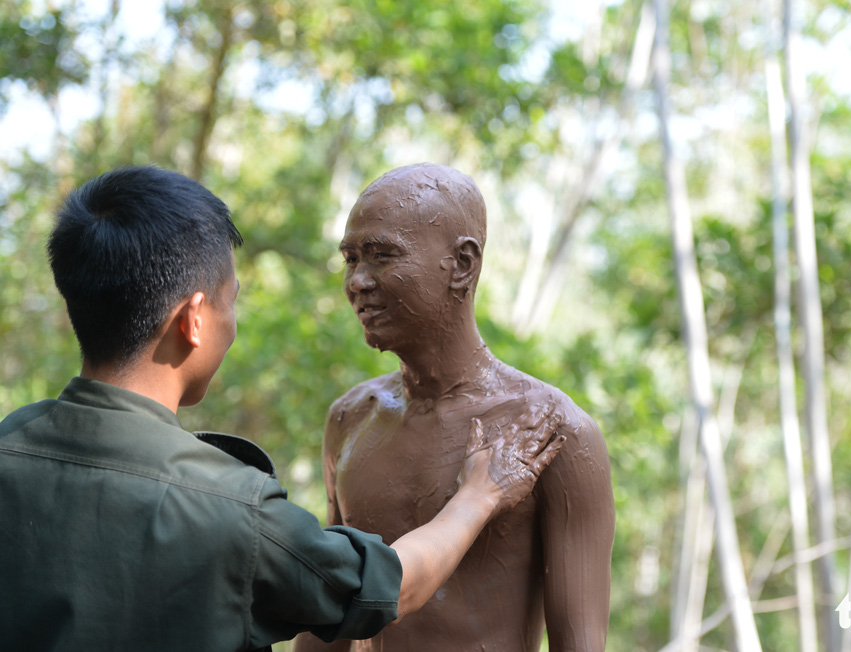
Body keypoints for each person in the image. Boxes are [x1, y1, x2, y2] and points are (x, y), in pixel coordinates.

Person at [0, 166, 565, 651]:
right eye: (231, 301)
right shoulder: (233, 509)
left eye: (379, 256)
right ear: (193, 320)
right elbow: (388, 586)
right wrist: (475, 499)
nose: (357, 283)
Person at [295, 163, 615, 652]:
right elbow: (332, 610)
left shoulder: (552, 432)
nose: (358, 281)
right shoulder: (351, 417)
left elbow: (581, 645)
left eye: (382, 256)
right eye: (351, 259)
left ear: (462, 264)